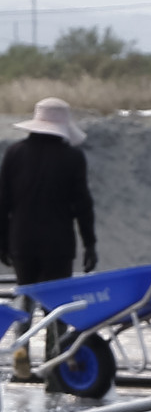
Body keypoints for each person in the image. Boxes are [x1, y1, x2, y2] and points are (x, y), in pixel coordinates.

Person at [1, 97, 97, 381]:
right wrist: (90, 243)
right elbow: (83, 204)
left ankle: (21, 349)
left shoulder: (15, 153)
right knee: (57, 304)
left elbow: (2, 202)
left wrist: (2, 241)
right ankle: (55, 362)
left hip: (22, 239)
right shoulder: (72, 158)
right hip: (58, 242)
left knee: (26, 293)